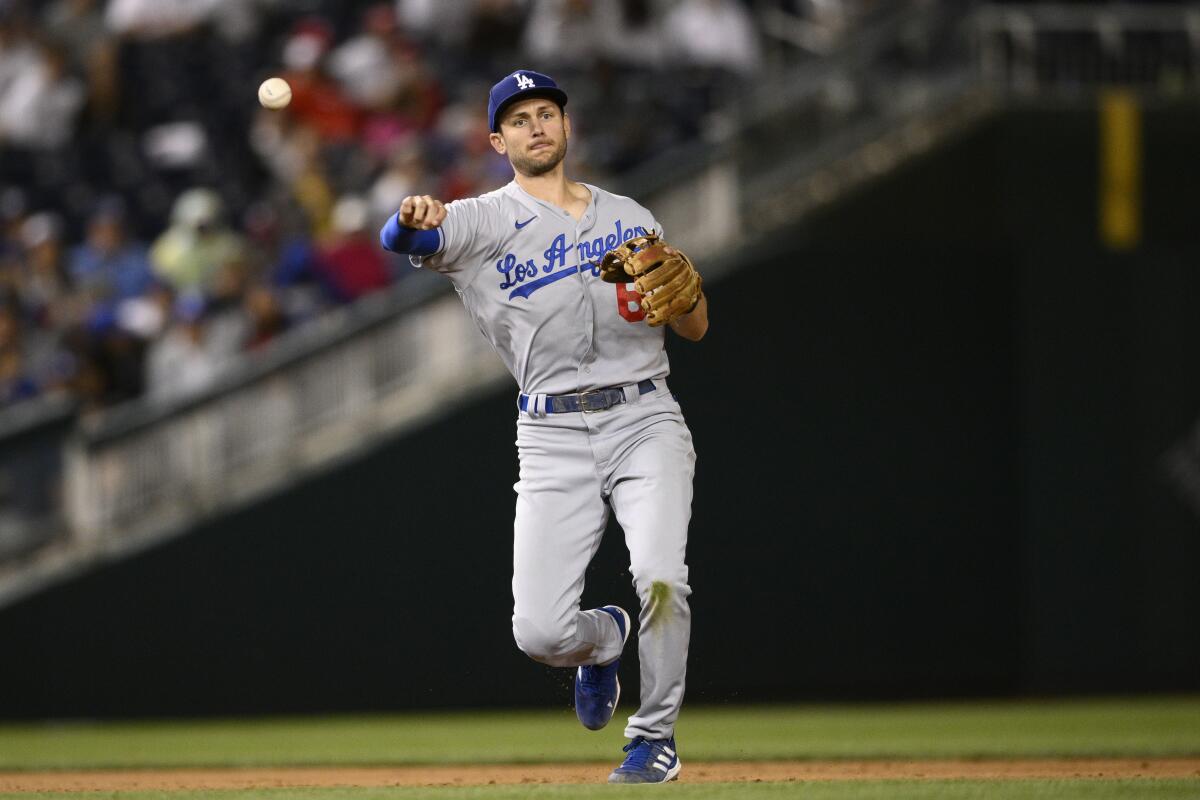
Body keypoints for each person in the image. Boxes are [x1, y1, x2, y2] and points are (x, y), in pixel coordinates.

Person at [380, 70, 708, 784]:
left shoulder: (629, 217)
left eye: (547, 113)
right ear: (498, 140)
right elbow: (396, 235)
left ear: (567, 127)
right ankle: (603, 641)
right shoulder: (480, 221)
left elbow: (694, 325)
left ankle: (653, 737)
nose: (537, 125)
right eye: (520, 118)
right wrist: (413, 216)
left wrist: (689, 296)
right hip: (551, 433)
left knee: (660, 578)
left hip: (644, 415)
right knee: (541, 632)